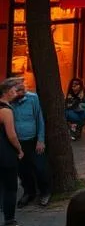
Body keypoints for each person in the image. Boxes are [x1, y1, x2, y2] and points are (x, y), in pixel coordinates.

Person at [8, 78, 50, 208]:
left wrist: (40, 140)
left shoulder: (32, 98)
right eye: (18, 90)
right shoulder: (8, 102)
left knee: (40, 168)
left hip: (33, 140)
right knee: (23, 170)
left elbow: (39, 119)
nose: (22, 91)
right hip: (17, 142)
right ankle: (29, 192)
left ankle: (45, 192)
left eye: (23, 88)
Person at [0, 78, 27, 226]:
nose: (16, 93)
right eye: (15, 90)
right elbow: (11, 135)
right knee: (11, 188)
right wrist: (19, 149)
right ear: (7, 91)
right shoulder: (6, 111)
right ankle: (10, 223)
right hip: (5, 153)